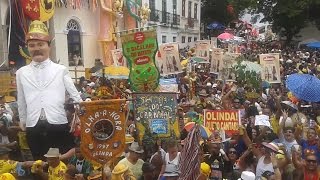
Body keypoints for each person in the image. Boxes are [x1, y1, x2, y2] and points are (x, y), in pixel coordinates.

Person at [16, 20, 82, 160]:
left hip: (57, 123)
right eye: (32, 45)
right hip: (33, 125)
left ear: (49, 46)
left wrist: (82, 113)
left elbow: (74, 94)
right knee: (39, 162)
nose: (36, 48)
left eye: (40, 44)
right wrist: (22, 118)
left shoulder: (60, 70)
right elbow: (21, 98)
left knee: (61, 162)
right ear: (28, 48)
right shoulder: (21, 73)